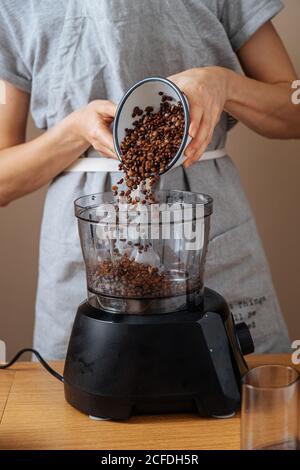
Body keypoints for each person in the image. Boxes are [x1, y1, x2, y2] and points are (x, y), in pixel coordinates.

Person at [0, 0, 299, 359]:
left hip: (206, 235)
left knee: (235, 392)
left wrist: (223, 83)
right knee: (86, 393)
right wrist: (75, 132)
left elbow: (292, 111)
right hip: (91, 247)